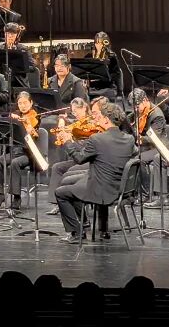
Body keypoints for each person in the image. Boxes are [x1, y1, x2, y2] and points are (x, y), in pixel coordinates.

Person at [55, 101, 135, 244]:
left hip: (101, 189)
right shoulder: (129, 139)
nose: (97, 119)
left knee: (61, 193)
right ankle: (97, 228)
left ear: (106, 119)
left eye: (100, 117)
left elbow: (79, 159)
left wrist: (68, 141)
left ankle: (76, 233)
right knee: (72, 181)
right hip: (119, 188)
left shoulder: (97, 138)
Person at [0, 92, 44, 211]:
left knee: (15, 163)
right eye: (20, 103)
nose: (23, 106)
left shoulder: (36, 117)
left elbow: (34, 137)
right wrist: (10, 118)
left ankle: (17, 197)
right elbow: (3, 118)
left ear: (31, 103)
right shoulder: (16, 115)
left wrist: (28, 127)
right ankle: (0, 194)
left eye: (25, 103)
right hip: (15, 151)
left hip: (29, 154)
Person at [129, 88, 168, 201]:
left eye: (137, 106)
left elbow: (155, 137)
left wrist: (141, 138)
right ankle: (130, 191)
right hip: (145, 147)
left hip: (159, 147)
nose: (135, 109)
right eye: (133, 107)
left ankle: (145, 194)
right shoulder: (139, 112)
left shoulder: (157, 115)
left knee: (139, 159)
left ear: (145, 100)